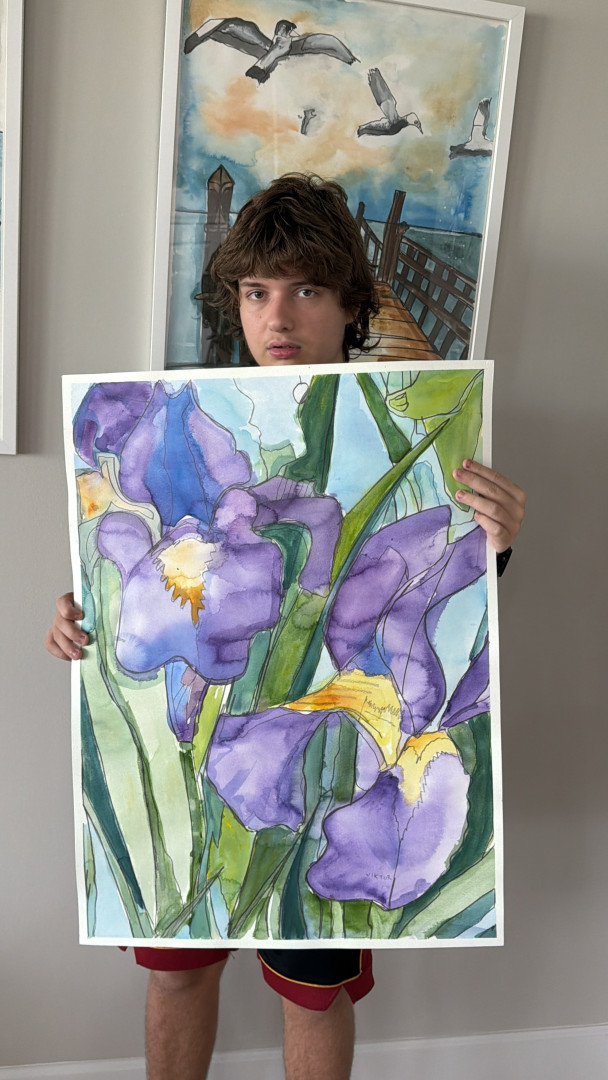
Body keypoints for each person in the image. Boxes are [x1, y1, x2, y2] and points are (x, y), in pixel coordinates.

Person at [46, 173, 526, 1080]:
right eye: (256, 291)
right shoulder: (189, 408)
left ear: (350, 305)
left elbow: (443, 600)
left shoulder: (410, 429)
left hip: (339, 730)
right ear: (234, 302)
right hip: (230, 720)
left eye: (307, 289)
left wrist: (494, 545)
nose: (278, 317)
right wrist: (88, 617)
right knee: (178, 972)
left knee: (312, 987)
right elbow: (129, 552)